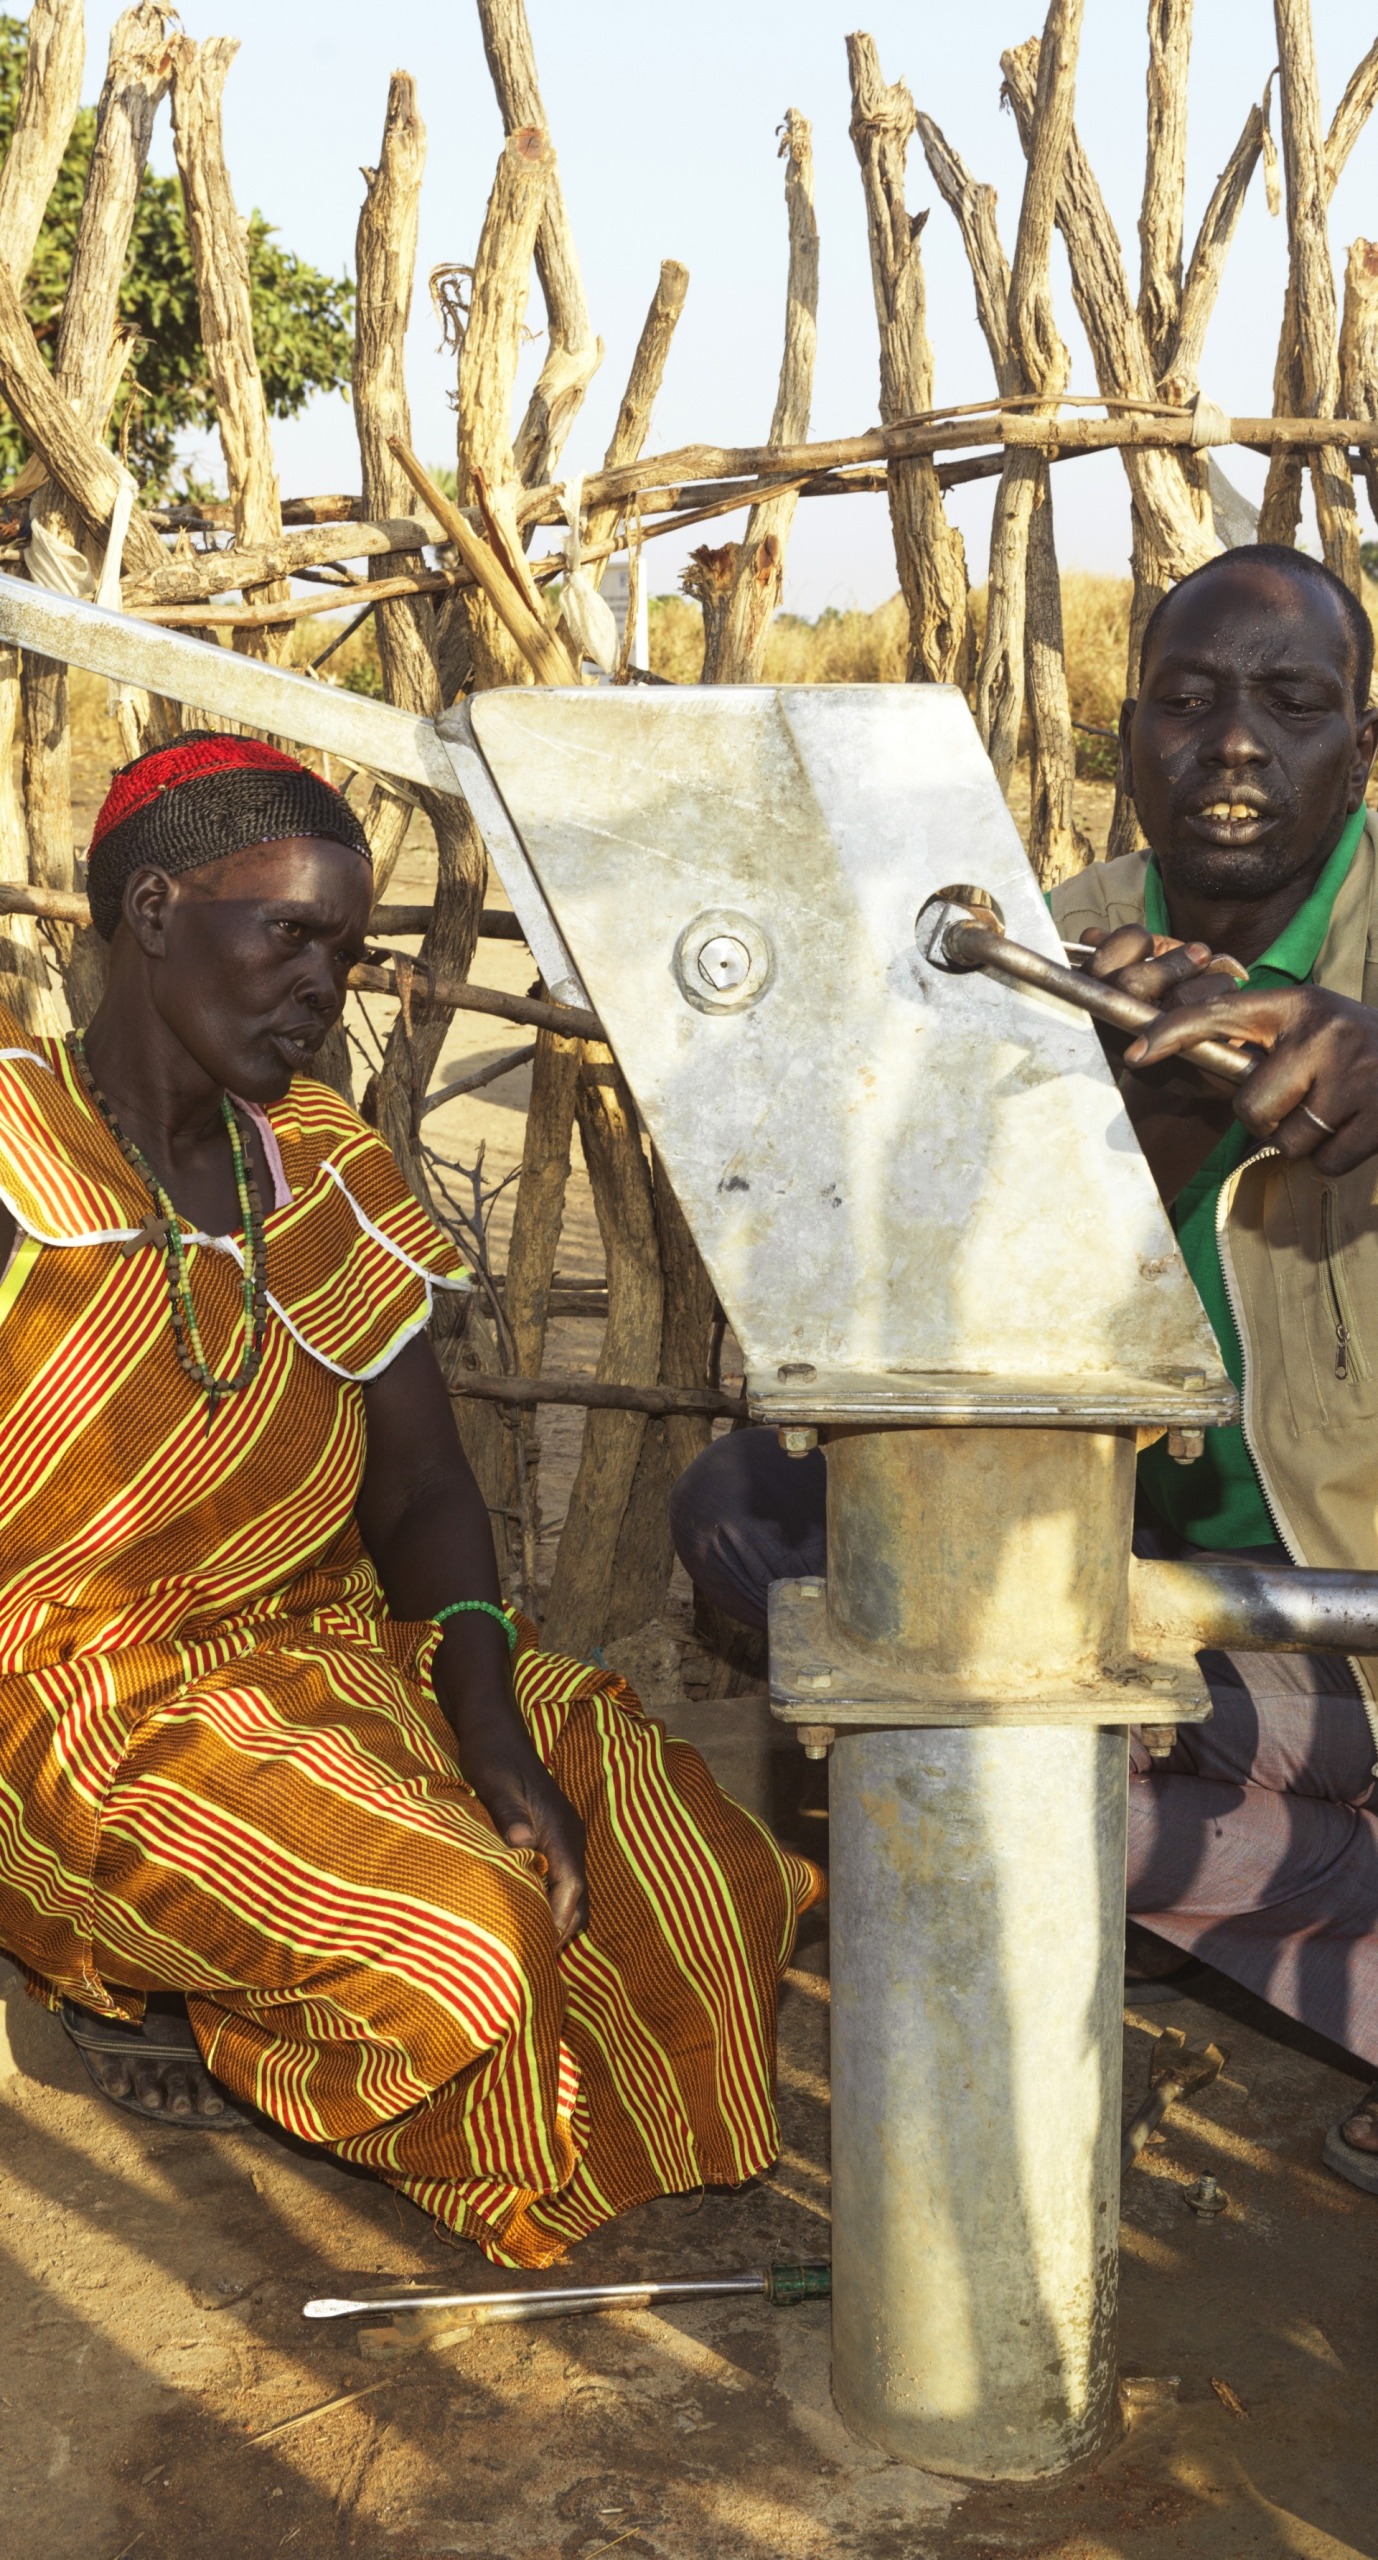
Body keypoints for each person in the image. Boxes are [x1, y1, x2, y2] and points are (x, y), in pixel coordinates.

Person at [0, 731, 819, 2270]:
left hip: (319, 1666)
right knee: (461, 1940)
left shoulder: (318, 1157)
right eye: (290, 934)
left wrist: (488, 1722)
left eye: (352, 950)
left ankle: (249, 1966)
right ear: (157, 909)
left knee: (688, 1864)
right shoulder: (12, 1150)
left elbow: (427, 1486)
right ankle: (129, 1976)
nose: (324, 983)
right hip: (71, 1703)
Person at [671, 545, 1378, 2195]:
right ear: (1124, 736)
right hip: (1136, 1566)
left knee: (995, 1764)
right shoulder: (1050, 939)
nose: (1232, 746)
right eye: (1189, 703)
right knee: (752, 1520)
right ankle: (1178, 1850)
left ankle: (1165, 1845)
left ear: (1361, 741)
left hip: (1344, 1602)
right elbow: (911, 1279)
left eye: (1291, 703)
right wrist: (1124, 1118)